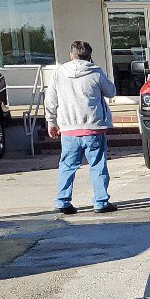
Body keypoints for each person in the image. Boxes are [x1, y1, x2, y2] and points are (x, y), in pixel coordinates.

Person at [45, 40, 117, 214]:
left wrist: (51, 121)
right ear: (89, 56)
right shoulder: (96, 71)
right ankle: (100, 202)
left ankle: (62, 201)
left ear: (71, 55)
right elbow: (111, 92)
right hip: (93, 127)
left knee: (67, 166)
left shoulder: (58, 73)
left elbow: (50, 100)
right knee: (98, 165)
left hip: (69, 129)